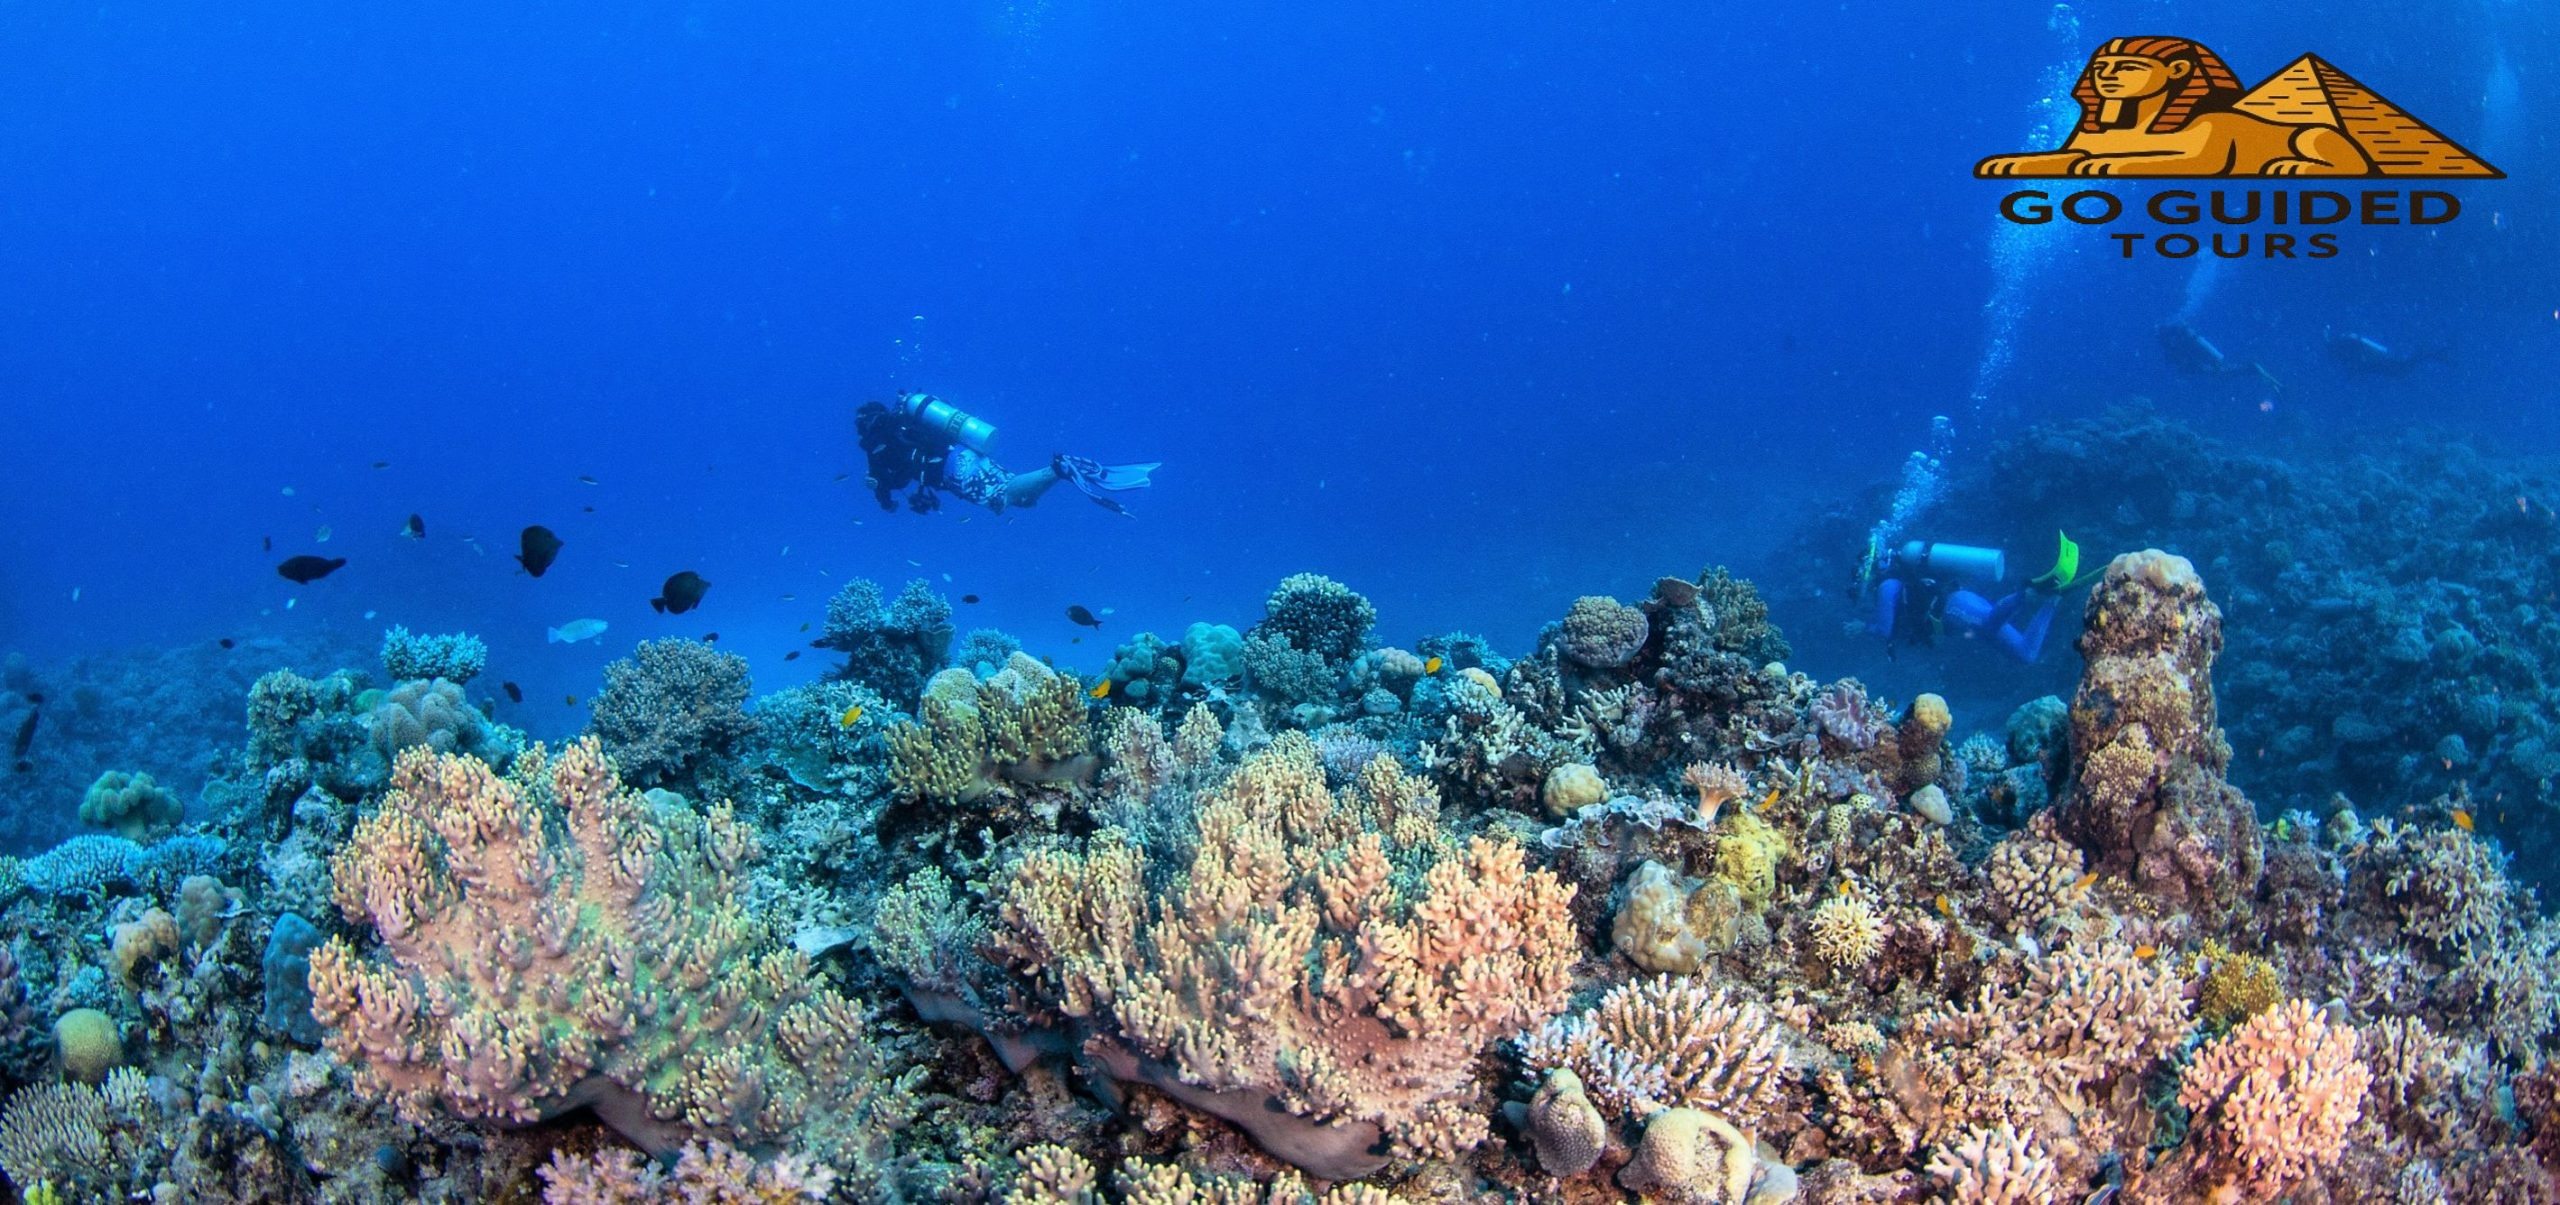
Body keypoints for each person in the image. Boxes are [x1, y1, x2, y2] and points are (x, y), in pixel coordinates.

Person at [856, 392, 1160, 516]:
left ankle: (1059, 468)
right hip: (964, 452)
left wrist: (882, 493)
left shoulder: (877, 444)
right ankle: (1059, 471)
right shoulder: (907, 421)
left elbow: (894, 482)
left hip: (952, 471)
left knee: (1003, 498)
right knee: (1020, 496)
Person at [1863, 533, 2081, 664]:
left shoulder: (1886, 585)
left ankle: (2027, 592)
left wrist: (1864, 628)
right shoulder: (1896, 582)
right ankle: (2053, 600)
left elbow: (1885, 630)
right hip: (1957, 606)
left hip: (1954, 608)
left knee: (1989, 622)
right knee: (2025, 654)